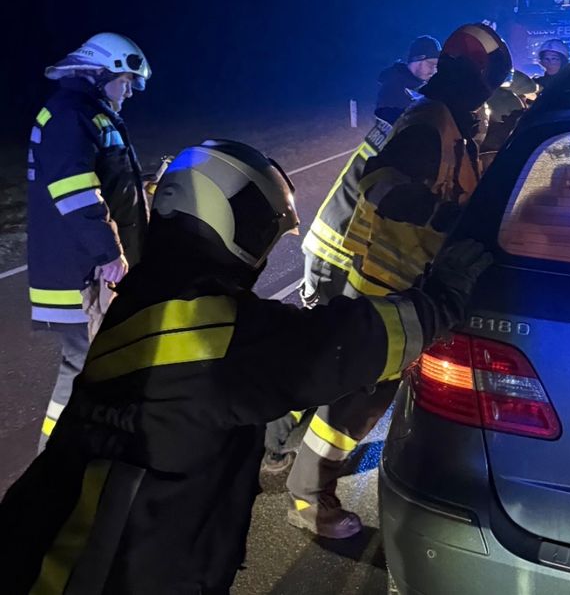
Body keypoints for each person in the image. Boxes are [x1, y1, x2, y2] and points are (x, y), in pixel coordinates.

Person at [0, 140, 491, 595]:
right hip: (109, 569)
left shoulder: (147, 296)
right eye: (263, 226)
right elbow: (341, 346)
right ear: (228, 215)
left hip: (52, 542)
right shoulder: (211, 330)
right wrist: (441, 300)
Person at [285, 23, 512, 538]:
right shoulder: (430, 123)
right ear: (478, 74)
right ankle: (308, 496)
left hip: (395, 282)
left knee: (342, 384)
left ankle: (286, 462)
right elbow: (381, 183)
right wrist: (439, 218)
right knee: (356, 399)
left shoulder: (447, 120)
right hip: (384, 285)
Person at [27, 33, 151, 452]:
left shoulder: (91, 114)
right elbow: (75, 193)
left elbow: (105, 183)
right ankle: (54, 462)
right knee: (84, 366)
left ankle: (85, 452)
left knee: (100, 363)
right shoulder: (69, 115)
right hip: (79, 273)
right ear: (102, 73)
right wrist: (108, 251)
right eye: (127, 81)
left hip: (89, 267)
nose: (130, 91)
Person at [375, 35, 441, 125]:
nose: (434, 70)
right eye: (431, 64)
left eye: (437, 66)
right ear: (417, 60)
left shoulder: (426, 87)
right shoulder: (393, 85)